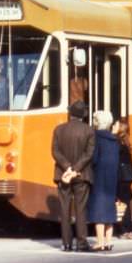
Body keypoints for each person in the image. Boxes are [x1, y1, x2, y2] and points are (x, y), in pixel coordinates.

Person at [51, 100, 95, 252]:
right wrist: (75, 169)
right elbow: (88, 154)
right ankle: (81, 243)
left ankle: (66, 243)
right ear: (83, 115)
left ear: (70, 113)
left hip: (63, 174)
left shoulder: (58, 129)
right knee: (80, 209)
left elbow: (55, 152)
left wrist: (67, 168)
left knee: (64, 209)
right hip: (81, 175)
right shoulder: (88, 130)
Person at [87, 110, 120, 251]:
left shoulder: (96, 138)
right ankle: (108, 241)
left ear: (97, 122)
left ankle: (100, 242)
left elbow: (93, 159)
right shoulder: (114, 140)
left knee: (98, 209)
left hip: (99, 176)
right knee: (109, 208)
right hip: (112, 177)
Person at [114, 118, 132, 239]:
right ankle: (129, 229)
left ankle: (124, 229)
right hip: (128, 174)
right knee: (126, 202)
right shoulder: (127, 140)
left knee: (121, 202)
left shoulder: (117, 141)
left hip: (121, 175)